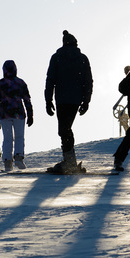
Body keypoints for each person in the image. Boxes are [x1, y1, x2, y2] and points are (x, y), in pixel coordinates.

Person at [44, 30, 93, 174]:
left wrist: (48, 100)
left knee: (64, 129)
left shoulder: (57, 57)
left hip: (62, 99)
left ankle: (70, 162)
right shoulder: (82, 58)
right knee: (65, 129)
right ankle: (70, 160)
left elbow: (50, 80)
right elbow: (88, 81)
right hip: (75, 100)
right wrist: (86, 101)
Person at [0, 60, 34, 171]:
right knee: (19, 137)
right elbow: (27, 99)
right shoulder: (20, 82)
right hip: (19, 114)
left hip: (4, 114)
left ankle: (8, 161)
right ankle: (18, 158)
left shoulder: (0, 83)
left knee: (7, 138)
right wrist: (30, 114)